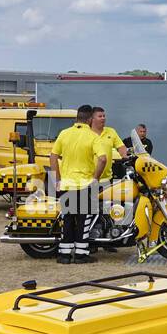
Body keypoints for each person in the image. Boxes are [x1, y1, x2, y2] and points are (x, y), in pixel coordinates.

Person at [50, 105, 109, 265]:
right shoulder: (93, 136)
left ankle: (64, 255)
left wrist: (57, 179)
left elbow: (53, 156)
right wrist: (95, 178)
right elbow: (103, 159)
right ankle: (81, 255)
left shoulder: (64, 134)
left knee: (67, 219)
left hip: (66, 185)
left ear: (76, 117)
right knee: (84, 220)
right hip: (85, 185)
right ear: (90, 119)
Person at [90, 107, 128, 251]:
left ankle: (107, 241)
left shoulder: (110, 132)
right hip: (90, 179)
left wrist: (128, 157)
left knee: (109, 211)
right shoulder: (87, 133)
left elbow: (121, 147)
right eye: (100, 116)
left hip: (107, 179)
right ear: (92, 119)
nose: (103, 118)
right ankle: (92, 242)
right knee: (92, 211)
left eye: (104, 115)